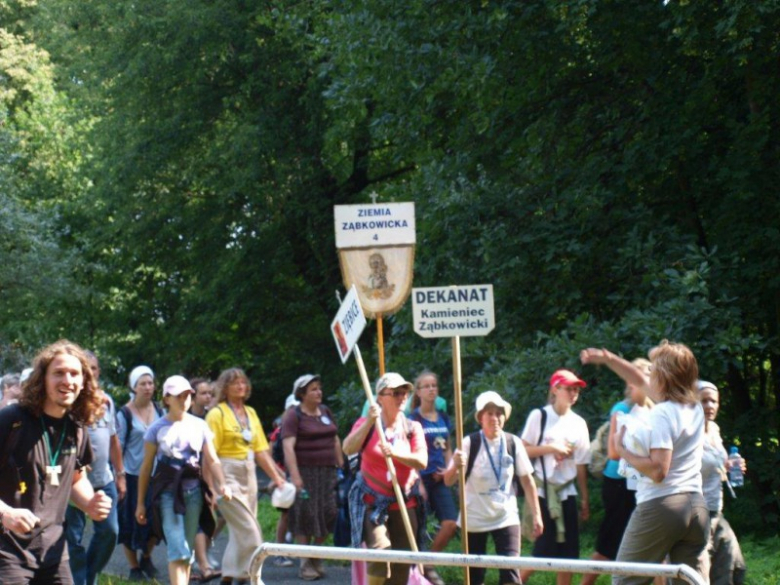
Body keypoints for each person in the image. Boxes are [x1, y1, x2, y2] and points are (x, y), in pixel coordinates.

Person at [585, 342, 708, 585]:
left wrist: (623, 451)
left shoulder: (663, 412)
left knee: (625, 579)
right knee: (689, 582)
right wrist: (609, 358)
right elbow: (639, 379)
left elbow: (658, 470)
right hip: (696, 507)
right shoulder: (694, 408)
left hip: (662, 505)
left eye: (654, 369)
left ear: (665, 375)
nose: (649, 374)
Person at [0, 339, 112, 584]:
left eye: (74, 374)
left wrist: (90, 503)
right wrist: (5, 513)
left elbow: (75, 478)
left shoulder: (77, 428)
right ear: (43, 379)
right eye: (58, 373)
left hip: (53, 553)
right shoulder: (11, 420)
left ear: (83, 382)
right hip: (6, 551)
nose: (67, 380)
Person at [136, 376, 232, 585]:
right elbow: (146, 468)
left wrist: (222, 484)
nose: (183, 400)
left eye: (187, 395)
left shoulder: (200, 426)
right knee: (177, 548)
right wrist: (141, 503)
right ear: (167, 398)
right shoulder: (156, 429)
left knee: (186, 551)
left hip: (193, 493)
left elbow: (212, 459)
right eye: (178, 396)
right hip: (167, 494)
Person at [444, 391, 543, 585]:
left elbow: (527, 481)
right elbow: (448, 481)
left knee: (511, 578)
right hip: (474, 519)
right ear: (481, 418)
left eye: (499, 413)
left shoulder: (513, 442)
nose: (495, 418)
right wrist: (456, 465)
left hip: (506, 517)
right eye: (489, 413)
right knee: (474, 578)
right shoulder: (469, 443)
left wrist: (537, 514)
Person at [342, 372, 427, 585]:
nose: (401, 398)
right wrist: (370, 421)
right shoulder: (368, 423)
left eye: (404, 393)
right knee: (380, 556)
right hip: (373, 504)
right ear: (380, 397)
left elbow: (422, 461)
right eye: (396, 393)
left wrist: (395, 453)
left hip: (404, 503)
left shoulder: (412, 427)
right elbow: (348, 447)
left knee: (401, 567)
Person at [206, 367, 286, 585]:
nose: (241, 386)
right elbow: (208, 454)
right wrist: (212, 487)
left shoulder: (250, 413)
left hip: (248, 471)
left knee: (238, 529)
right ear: (225, 387)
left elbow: (260, 450)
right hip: (226, 472)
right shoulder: (217, 414)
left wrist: (277, 478)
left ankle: (230, 575)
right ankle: (250, 576)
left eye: (243, 382)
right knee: (250, 529)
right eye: (234, 383)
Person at [579, 356, 653, 585]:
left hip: (641, 483)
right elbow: (613, 451)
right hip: (619, 484)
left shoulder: (654, 410)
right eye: (634, 379)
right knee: (609, 544)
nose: (637, 383)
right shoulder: (622, 409)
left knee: (652, 545)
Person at [520, 369, 591, 585]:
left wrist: (585, 499)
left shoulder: (579, 423)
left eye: (576, 390)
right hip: (543, 492)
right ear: (555, 389)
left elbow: (581, 465)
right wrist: (551, 448)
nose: (573, 394)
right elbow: (522, 450)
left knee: (569, 556)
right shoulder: (539, 416)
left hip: (566, 493)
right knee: (543, 552)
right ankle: (513, 582)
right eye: (568, 389)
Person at [65, 351, 127, 585]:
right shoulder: (69, 404)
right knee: (74, 539)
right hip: (74, 484)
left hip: (104, 480)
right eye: (86, 368)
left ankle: (89, 575)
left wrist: (120, 474)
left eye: (95, 368)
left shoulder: (106, 401)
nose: (91, 373)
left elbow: (113, 440)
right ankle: (80, 581)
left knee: (110, 532)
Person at [282, 374, 344, 580]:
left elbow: (335, 438)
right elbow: (288, 447)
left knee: (329, 513)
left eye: (319, 388)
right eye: (313, 389)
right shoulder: (294, 415)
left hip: (328, 473)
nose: (319, 392)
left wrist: (341, 463)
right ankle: (305, 562)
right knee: (305, 516)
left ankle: (315, 553)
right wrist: (295, 476)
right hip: (305, 473)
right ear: (302, 394)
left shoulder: (325, 411)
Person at [407, 370, 457, 585]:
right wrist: (417, 480)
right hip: (420, 478)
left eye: (434, 385)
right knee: (418, 527)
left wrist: (450, 469)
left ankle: (428, 563)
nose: (431, 389)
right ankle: (414, 572)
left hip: (440, 478)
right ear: (418, 392)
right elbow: (410, 450)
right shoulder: (412, 418)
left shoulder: (443, 416)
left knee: (450, 522)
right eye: (426, 386)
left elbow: (447, 447)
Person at [117, 364, 164, 580]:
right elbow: (117, 445)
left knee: (156, 520)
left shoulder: (160, 411)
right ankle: (134, 567)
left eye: (150, 383)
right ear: (134, 387)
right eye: (142, 383)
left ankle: (147, 556)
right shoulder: (124, 414)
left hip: (155, 475)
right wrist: (120, 476)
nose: (147, 387)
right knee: (130, 521)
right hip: (132, 475)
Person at [698, 380, 746, 585]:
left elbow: (714, 464)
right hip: (696, 511)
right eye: (704, 401)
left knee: (735, 566)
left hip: (716, 508)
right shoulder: (687, 433)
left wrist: (730, 466)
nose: (710, 406)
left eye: (713, 401)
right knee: (700, 573)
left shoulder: (714, 430)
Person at [188, 377, 223, 582]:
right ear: (193, 396)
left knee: (216, 517)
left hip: (210, 474)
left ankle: (203, 554)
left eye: (210, 393)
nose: (209, 396)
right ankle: (202, 563)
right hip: (188, 478)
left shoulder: (211, 417)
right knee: (199, 520)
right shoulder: (185, 417)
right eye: (204, 393)